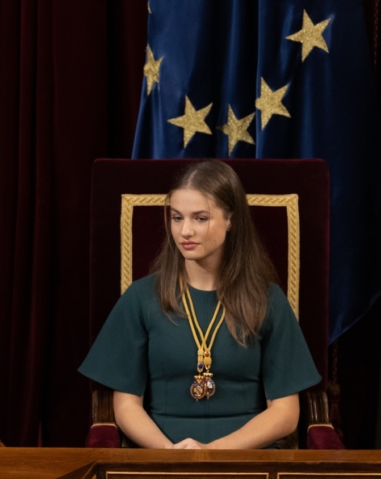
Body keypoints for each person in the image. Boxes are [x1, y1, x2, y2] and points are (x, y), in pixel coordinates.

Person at [80, 160, 320, 449]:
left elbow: (285, 413)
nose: (185, 232)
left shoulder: (267, 299)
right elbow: (126, 405)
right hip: (160, 454)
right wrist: (170, 453)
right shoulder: (141, 297)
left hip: (246, 456)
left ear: (230, 220)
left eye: (200, 218)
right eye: (177, 217)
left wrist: (212, 452)